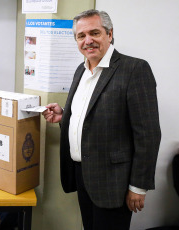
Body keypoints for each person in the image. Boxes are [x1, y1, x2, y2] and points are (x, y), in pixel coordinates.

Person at [42, 9, 161, 230]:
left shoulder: (134, 69)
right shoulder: (82, 69)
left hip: (114, 180)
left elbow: (148, 134)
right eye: (81, 36)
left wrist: (138, 187)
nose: (88, 41)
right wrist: (64, 115)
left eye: (94, 33)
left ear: (109, 34)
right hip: (83, 174)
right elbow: (92, 113)